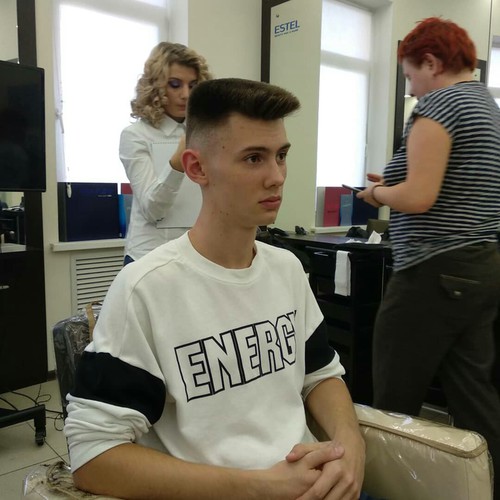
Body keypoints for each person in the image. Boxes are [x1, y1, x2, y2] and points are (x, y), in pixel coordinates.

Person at [64, 78, 366, 499]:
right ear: (197, 168)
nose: (277, 177)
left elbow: (320, 374)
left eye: (281, 156)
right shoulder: (146, 290)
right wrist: (259, 488)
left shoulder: (287, 270)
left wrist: (350, 446)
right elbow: (92, 457)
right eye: (254, 158)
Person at [357, 17, 500, 499]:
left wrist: (378, 193)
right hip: (480, 265)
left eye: (410, 74)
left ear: (432, 62)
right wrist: (394, 183)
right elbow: (453, 187)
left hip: (432, 270)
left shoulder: (440, 105)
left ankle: (388, 489)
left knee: (394, 397)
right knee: (474, 396)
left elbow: (419, 197)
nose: (411, 87)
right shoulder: (486, 106)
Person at [119, 42, 212, 265]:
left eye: (193, 85)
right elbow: (152, 210)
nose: (186, 94)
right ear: (156, 86)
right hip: (148, 257)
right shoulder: (136, 135)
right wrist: (177, 163)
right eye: (175, 84)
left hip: (196, 255)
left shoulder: (208, 133)